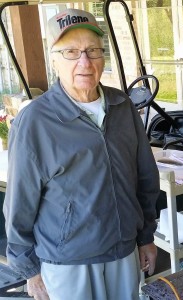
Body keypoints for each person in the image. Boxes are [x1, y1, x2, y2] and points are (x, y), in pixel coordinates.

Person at [3, 8, 160, 300]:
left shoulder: (122, 106)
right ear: (54, 59)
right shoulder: (35, 122)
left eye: (93, 50)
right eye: (71, 52)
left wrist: (146, 236)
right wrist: (30, 271)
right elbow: (19, 204)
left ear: (103, 57)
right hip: (67, 262)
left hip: (123, 253)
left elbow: (145, 177)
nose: (85, 62)